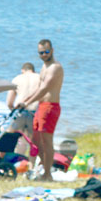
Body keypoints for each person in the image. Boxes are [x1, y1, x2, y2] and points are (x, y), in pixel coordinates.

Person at [14, 39, 64, 181]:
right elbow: (38, 89)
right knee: (36, 141)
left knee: (47, 141)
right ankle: (44, 169)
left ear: (52, 50)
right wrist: (23, 101)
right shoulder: (44, 66)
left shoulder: (55, 67)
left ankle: (48, 174)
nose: (44, 55)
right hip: (41, 106)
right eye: (41, 53)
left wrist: (28, 102)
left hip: (50, 107)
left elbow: (45, 89)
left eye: (46, 52)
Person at [5, 62, 41, 156]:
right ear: (33, 70)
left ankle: (6, 162)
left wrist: (12, 109)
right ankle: (32, 167)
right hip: (34, 112)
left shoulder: (17, 79)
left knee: (8, 138)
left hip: (19, 111)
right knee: (34, 143)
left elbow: (9, 102)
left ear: (22, 70)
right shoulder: (39, 78)